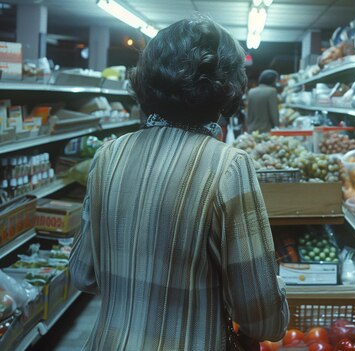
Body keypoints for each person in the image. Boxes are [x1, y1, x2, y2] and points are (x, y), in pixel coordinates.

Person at [69, 16, 289, 350]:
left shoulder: (108, 156)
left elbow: (83, 274)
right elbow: (261, 317)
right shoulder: (228, 167)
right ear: (226, 90)